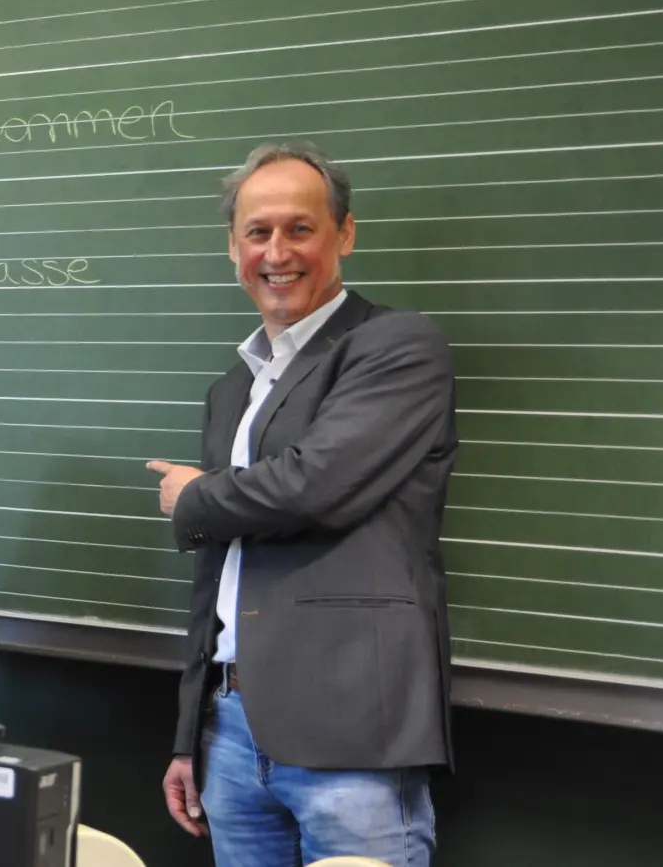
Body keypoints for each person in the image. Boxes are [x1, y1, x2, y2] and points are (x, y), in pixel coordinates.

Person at [145, 141, 458, 867]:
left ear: (344, 234)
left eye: (300, 228)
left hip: (351, 734)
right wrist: (190, 734)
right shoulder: (234, 388)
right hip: (229, 731)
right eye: (258, 232)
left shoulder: (397, 347)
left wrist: (193, 495)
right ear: (233, 246)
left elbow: (314, 485)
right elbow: (217, 574)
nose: (277, 251)